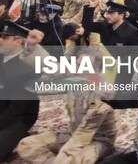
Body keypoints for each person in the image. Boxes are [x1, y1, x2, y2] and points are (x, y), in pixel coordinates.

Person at [17, 49, 117, 163]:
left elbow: (84, 134)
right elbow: (51, 66)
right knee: (27, 145)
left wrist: (65, 154)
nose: (77, 68)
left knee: (68, 160)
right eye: (77, 64)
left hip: (97, 140)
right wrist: (31, 46)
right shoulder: (76, 76)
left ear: (97, 70)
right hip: (72, 133)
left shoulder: (100, 94)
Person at [0, 22, 40, 162]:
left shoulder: (26, 69)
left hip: (18, 117)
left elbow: (15, 110)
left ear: (17, 41)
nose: (0, 40)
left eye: (5, 37)